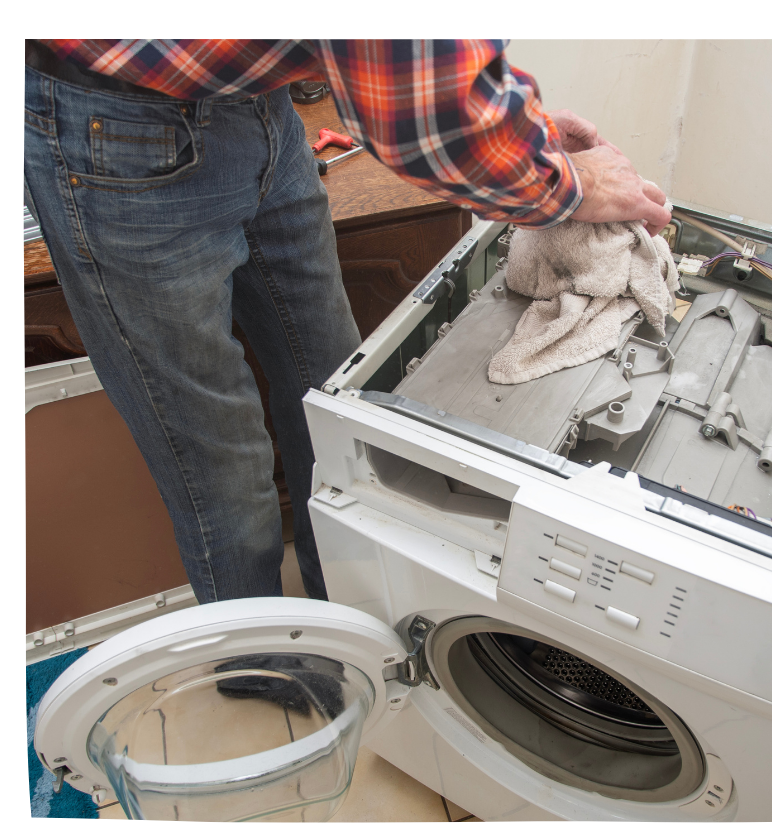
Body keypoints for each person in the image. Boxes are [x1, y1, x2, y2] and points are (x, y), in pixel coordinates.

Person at [23, 39, 672, 605]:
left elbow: (441, 67)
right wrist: (565, 183)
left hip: (260, 105)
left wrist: (518, 130)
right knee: (216, 456)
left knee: (335, 392)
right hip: (115, 128)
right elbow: (426, 111)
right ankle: (264, 661)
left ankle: (345, 611)